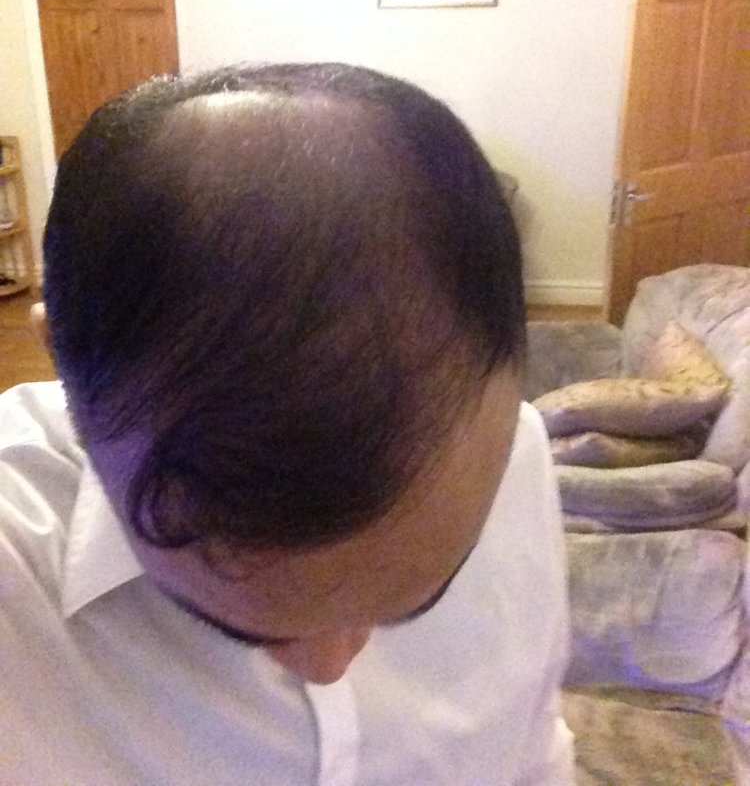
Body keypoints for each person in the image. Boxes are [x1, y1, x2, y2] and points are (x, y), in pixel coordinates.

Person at [0, 62, 574, 784]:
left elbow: (534, 747)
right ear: (67, 371)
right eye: (229, 621)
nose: (331, 665)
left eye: (421, 597)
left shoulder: (516, 454)